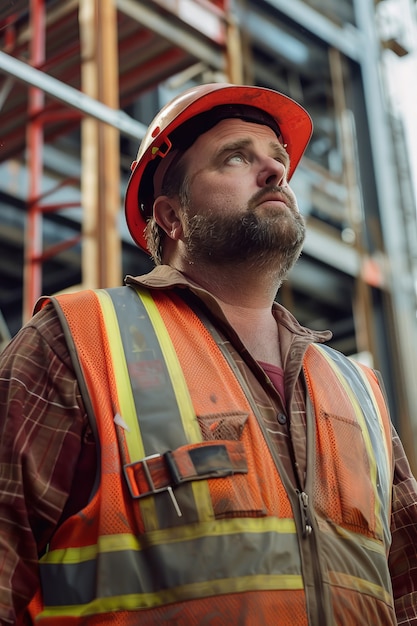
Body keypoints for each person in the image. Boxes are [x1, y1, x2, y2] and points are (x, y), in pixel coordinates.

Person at [0, 82, 416, 626]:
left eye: (279, 160)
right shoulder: (77, 340)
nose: (274, 173)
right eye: (237, 157)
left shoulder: (361, 393)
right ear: (172, 218)